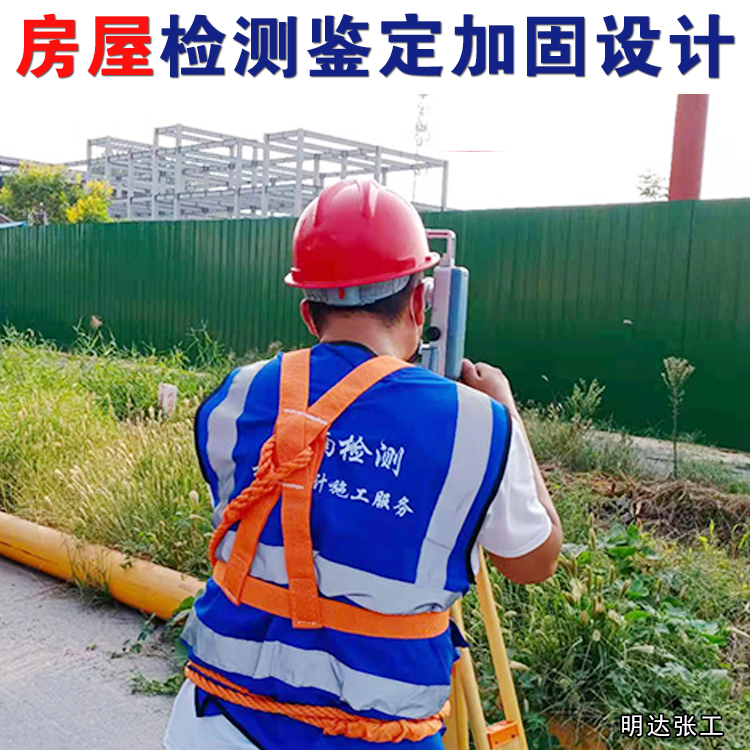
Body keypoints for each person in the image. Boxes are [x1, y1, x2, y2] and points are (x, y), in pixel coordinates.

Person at [164, 178, 562, 750]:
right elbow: (533, 562)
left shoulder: (237, 395)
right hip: (379, 734)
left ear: (309, 313)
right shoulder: (476, 423)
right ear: (419, 302)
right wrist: (509, 415)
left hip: (217, 724)